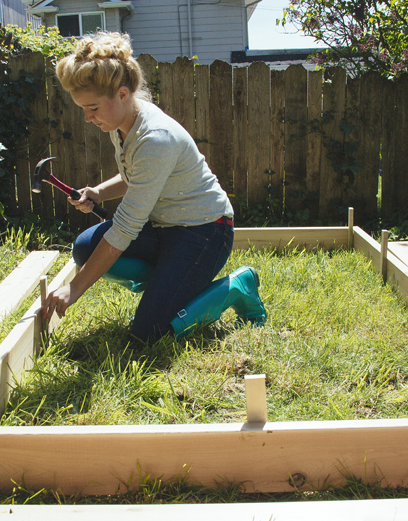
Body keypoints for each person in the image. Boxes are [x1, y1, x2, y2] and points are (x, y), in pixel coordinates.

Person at [40, 32, 266, 342]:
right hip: (165, 226)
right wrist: (98, 192)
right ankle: (169, 286)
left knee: (150, 334)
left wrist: (75, 288)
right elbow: (137, 177)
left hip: (205, 231)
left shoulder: (155, 138)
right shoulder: (121, 124)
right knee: (85, 247)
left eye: (92, 108)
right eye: (83, 108)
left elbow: (124, 229)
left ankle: (238, 287)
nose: (87, 117)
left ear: (122, 94)